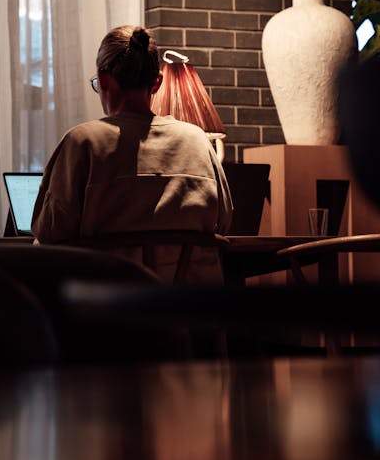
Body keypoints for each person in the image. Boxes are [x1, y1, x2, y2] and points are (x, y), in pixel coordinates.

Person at [31, 25, 232, 282]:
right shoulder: (198, 141)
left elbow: (49, 231)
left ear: (103, 79)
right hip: (191, 311)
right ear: (157, 82)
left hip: (109, 312)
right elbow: (224, 221)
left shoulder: (82, 142)